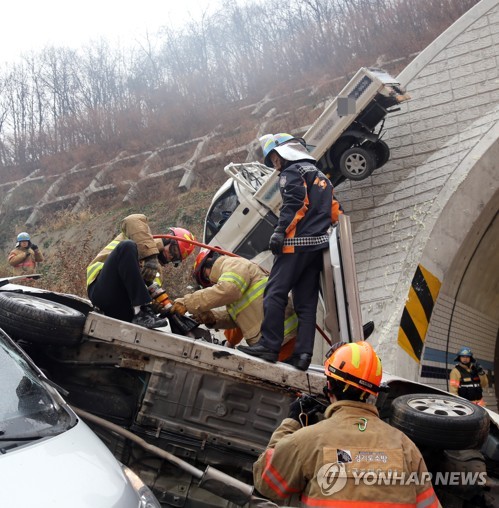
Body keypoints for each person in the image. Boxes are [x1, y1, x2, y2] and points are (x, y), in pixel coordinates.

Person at [253, 341, 441, 507]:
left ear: (329, 386)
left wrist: (292, 421)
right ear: (372, 393)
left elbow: (266, 483)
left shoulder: (307, 440)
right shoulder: (406, 446)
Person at [238, 133, 341, 371]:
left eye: (274, 157)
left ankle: (269, 345)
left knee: (274, 292)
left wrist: (280, 231)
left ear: (285, 151)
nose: (275, 163)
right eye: (272, 160)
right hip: (317, 247)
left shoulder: (292, 172)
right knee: (306, 304)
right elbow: (335, 210)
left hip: (296, 245)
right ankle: (303, 355)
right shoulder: (320, 175)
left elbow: (295, 203)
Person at [172, 248, 298, 360]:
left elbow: (229, 290)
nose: (210, 282)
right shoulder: (232, 274)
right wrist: (213, 318)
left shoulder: (232, 264)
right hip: (275, 338)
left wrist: (187, 303)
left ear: (208, 264)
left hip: (281, 336)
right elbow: (236, 319)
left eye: (205, 277)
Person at [86, 213, 195, 329]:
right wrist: (150, 257)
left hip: (123, 310)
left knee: (149, 294)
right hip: (103, 290)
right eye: (173, 251)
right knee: (127, 246)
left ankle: (140, 313)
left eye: (176, 258)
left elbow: (148, 293)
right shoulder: (138, 236)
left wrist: (155, 306)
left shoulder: (157, 272)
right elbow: (131, 220)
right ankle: (139, 312)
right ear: (168, 239)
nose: (170, 257)